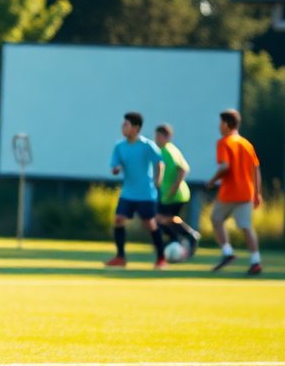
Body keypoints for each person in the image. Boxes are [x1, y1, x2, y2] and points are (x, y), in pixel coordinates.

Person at [105, 112, 166, 268]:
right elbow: (115, 164)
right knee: (118, 219)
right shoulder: (119, 146)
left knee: (150, 224)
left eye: (126, 125)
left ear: (136, 128)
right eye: (123, 124)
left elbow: (160, 162)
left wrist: (158, 180)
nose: (123, 127)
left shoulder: (147, 145)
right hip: (128, 192)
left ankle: (161, 258)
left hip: (146, 193)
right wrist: (116, 169)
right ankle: (120, 257)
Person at [205, 109, 263, 275]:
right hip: (246, 193)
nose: (219, 126)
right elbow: (256, 170)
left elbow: (225, 167)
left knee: (216, 219)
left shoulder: (224, 142)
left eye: (220, 123)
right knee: (246, 227)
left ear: (225, 124)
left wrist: (212, 180)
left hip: (230, 193)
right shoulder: (246, 144)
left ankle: (227, 252)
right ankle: (255, 260)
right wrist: (257, 193)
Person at [153, 124, 200, 256]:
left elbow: (183, 169)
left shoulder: (167, 151)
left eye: (159, 136)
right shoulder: (168, 149)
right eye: (155, 136)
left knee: (161, 219)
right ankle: (178, 239)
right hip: (168, 194)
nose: (156, 139)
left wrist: (174, 188)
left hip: (174, 194)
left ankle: (188, 236)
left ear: (166, 137)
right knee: (162, 220)